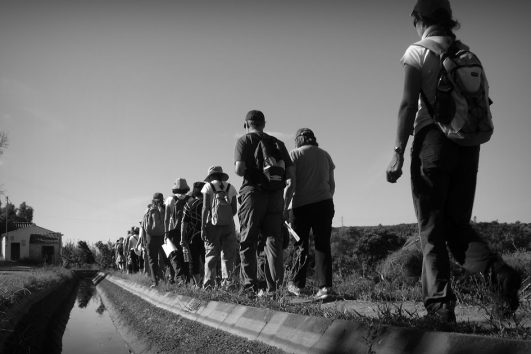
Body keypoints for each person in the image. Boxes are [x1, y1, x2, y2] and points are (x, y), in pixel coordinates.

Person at [386, 0, 521, 322]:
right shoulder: (466, 54)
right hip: (467, 144)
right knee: (457, 224)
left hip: (432, 142)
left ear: (418, 19)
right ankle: (498, 272)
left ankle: (440, 307)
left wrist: (397, 152)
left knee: (431, 229)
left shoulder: (418, 52)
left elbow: (408, 106)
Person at [234, 110, 294, 296]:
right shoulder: (278, 143)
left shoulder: (244, 141)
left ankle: (250, 286)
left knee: (248, 239)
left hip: (253, 193)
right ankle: (274, 288)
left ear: (246, 124)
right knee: (273, 240)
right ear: (264, 123)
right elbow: (291, 175)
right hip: (275, 194)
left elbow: (239, 170)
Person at [284, 128, 335, 300]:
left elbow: (290, 184)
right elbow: (332, 184)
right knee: (323, 245)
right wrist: (324, 198)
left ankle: (297, 286)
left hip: (301, 206)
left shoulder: (294, 154)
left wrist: (284, 207)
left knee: (300, 245)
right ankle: (325, 288)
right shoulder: (325, 154)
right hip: (325, 203)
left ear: (298, 139)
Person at [201, 166, 239, 289]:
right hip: (229, 225)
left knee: (211, 254)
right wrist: (225, 217)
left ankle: (209, 285)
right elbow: (234, 210)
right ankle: (228, 284)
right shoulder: (231, 187)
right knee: (228, 255)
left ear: (211, 176)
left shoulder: (208, 187)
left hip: (212, 225)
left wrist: (203, 226)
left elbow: (205, 208)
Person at [164, 178, 191, 283]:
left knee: (174, 255)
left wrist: (166, 233)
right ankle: (188, 278)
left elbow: (166, 218)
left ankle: (180, 277)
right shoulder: (190, 199)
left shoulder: (170, 199)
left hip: (173, 231)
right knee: (186, 254)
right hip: (187, 230)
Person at [181, 181, 206, 287]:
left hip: (192, 237)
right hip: (208, 236)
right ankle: (209, 282)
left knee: (194, 261)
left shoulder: (189, 204)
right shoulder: (208, 203)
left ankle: (198, 284)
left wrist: (182, 238)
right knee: (207, 259)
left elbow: (184, 223)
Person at [144, 193, 170, 287]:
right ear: (162, 199)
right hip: (163, 236)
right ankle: (169, 279)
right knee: (166, 258)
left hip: (150, 237)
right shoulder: (165, 208)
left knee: (152, 260)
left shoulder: (148, 210)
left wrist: (144, 241)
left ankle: (155, 282)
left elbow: (144, 226)